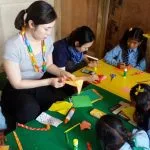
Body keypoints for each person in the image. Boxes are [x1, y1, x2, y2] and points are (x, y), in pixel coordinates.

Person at [0, 1, 76, 134]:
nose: (49, 32)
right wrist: (49, 81)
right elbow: (17, 83)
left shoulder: (46, 40)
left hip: (39, 85)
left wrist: (61, 72)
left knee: (57, 102)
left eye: (51, 27)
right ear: (31, 24)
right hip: (18, 89)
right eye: (46, 28)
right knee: (29, 110)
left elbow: (49, 65)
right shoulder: (13, 45)